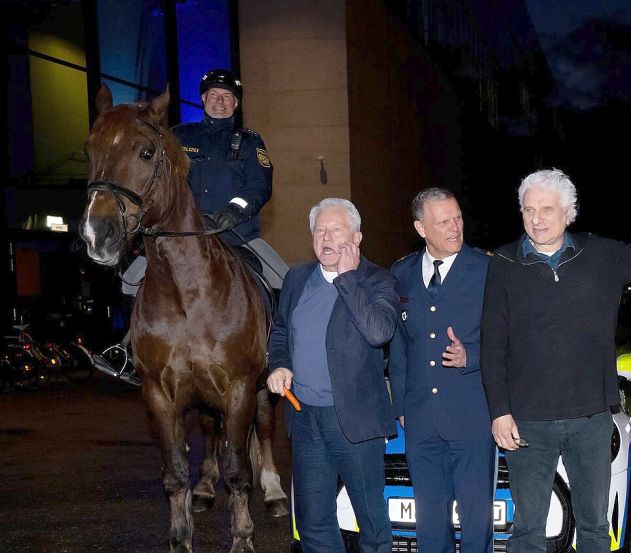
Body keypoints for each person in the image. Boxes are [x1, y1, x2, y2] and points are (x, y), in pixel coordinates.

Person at [480, 169, 631, 553]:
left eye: (547, 209)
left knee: (595, 529)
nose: (536, 219)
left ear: (569, 213)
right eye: (528, 209)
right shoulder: (503, 263)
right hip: (528, 423)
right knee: (528, 532)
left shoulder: (600, 254)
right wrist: (500, 411)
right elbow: (492, 345)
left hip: (590, 419)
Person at [92, 68, 286, 381]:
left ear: (235, 104)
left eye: (227, 97)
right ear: (203, 100)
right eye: (214, 96)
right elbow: (157, 181)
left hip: (237, 236)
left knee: (284, 281)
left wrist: (232, 213)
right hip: (182, 239)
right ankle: (131, 350)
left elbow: (259, 185)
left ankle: (275, 352)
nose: (220, 102)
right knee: (131, 280)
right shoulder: (180, 137)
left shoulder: (249, 142)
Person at [266, 198, 397, 553]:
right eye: (319, 230)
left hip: (353, 422)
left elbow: (378, 332)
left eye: (336, 230)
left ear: (356, 238)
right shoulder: (296, 279)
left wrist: (348, 278)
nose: (326, 237)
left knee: (372, 522)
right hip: (305, 418)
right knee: (313, 523)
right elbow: (280, 333)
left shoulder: (377, 280)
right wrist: (280, 363)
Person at [389, 188, 496, 553]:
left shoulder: (486, 270)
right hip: (420, 420)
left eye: (458, 218)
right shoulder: (401, 273)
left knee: (476, 522)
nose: (455, 228)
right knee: (430, 526)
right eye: (443, 221)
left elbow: (507, 338)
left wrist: (472, 356)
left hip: (472, 414)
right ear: (421, 227)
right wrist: (400, 405)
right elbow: (399, 344)